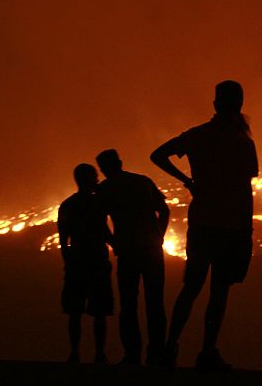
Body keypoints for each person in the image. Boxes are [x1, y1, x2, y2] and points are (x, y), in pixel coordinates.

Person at [150, 80, 258, 371]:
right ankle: (207, 351)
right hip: (231, 225)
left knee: (191, 287)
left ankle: (169, 347)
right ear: (239, 106)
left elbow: (158, 155)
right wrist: (247, 231)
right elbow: (245, 187)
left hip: (203, 222)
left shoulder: (199, 135)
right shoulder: (243, 142)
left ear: (215, 105)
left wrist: (187, 181)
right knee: (219, 291)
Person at [96, 149, 170, 366]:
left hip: (128, 251)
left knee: (128, 304)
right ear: (120, 162)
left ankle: (132, 355)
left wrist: (113, 242)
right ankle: (156, 354)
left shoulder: (105, 189)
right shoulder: (142, 182)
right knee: (155, 303)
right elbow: (164, 211)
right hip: (151, 249)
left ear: (103, 169)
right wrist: (160, 236)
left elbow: (99, 222)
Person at [57, 163, 114, 364]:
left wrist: (67, 261)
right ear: (88, 179)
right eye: (95, 177)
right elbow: (104, 230)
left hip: (78, 262)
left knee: (75, 311)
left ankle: (75, 353)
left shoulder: (68, 205)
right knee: (99, 311)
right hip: (96, 261)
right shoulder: (98, 203)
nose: (98, 181)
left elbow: (64, 239)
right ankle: (100, 354)